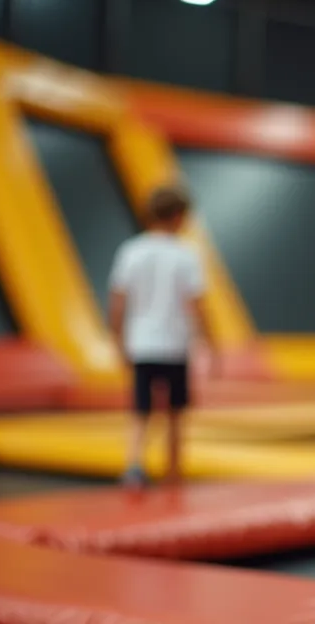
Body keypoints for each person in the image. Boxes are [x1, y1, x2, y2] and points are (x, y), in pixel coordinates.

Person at [108, 184, 216, 490]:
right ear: (179, 216)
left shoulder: (131, 251)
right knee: (175, 414)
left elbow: (117, 302)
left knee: (141, 410)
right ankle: (173, 471)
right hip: (174, 345)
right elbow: (197, 305)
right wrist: (212, 344)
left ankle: (134, 465)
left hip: (141, 344)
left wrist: (118, 342)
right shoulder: (185, 255)